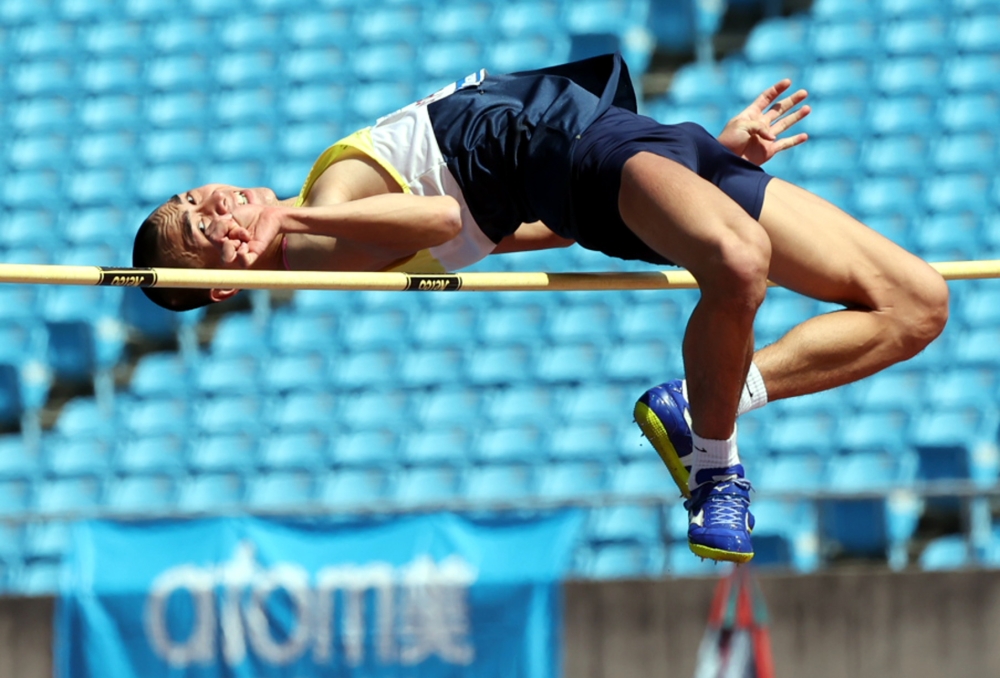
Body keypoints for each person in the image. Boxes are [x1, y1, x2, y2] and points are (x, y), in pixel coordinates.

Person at [132, 54, 949, 564]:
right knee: (739, 263)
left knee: (915, 304)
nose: (213, 206)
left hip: (623, 139)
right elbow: (442, 218)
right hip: (575, 149)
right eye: (205, 234)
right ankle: (714, 465)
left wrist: (701, 163)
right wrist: (290, 217)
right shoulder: (319, 225)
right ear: (227, 281)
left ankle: (708, 402)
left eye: (193, 200)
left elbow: (547, 233)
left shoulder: (333, 211)